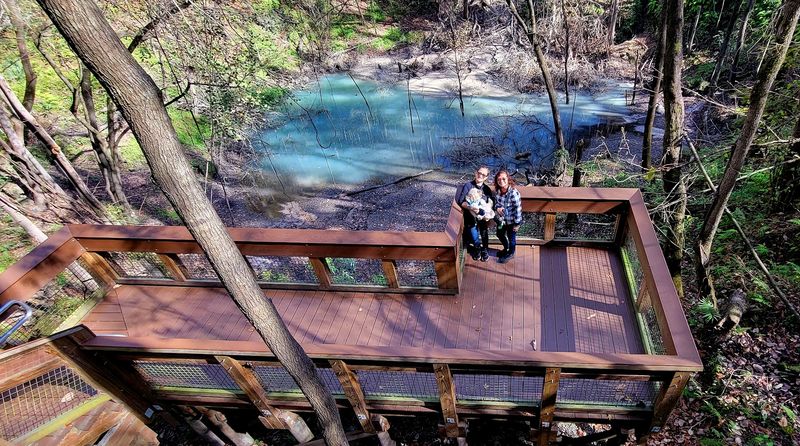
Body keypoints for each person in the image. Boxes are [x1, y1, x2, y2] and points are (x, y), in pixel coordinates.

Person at [455, 166, 494, 262]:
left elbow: (490, 203)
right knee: (473, 234)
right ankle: (477, 249)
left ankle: (485, 249)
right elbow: (461, 201)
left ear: (486, 177)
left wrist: (488, 212)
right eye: (479, 173)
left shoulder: (486, 189)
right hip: (470, 217)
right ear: (476, 173)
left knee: (484, 233)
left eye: (483, 174)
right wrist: (471, 208)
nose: (480, 175)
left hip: (482, 217)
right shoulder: (468, 185)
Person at [493, 169, 522, 264]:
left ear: (508, 179)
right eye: (499, 179)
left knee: (511, 238)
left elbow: (518, 209)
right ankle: (506, 248)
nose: (501, 181)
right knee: (499, 234)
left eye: (503, 179)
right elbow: (496, 203)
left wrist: (517, 224)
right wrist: (497, 208)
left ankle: (511, 253)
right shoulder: (497, 191)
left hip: (512, 221)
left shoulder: (513, 193)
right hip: (502, 220)